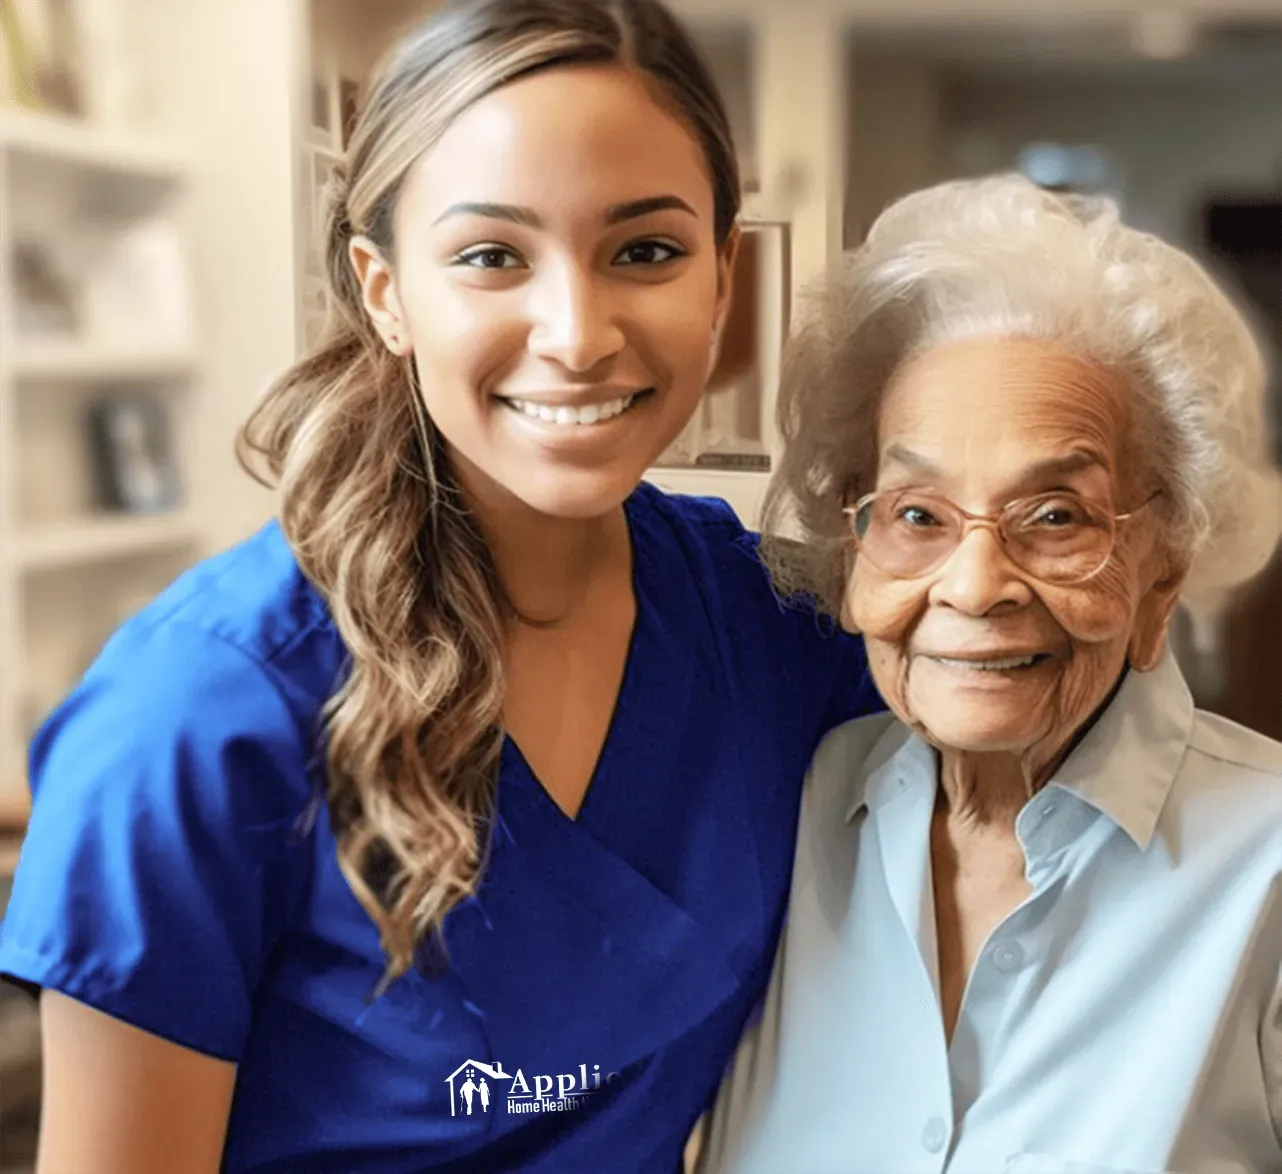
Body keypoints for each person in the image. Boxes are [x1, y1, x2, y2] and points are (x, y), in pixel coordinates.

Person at [0, 2, 881, 1172]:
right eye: (490, 256)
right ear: (383, 290)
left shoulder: (770, 626)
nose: (575, 332)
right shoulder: (197, 714)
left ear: (722, 277)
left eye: (645, 251)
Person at [695, 174, 1282, 1173]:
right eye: (916, 515)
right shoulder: (784, 813)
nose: (973, 585)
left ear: (1160, 574)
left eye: (1055, 516)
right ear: (852, 555)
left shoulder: (1264, 865)